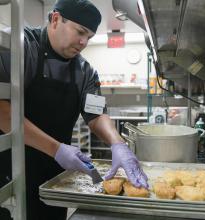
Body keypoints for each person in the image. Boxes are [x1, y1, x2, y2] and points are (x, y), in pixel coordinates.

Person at [0, 0, 148, 219]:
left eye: (89, 37)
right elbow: (2, 113)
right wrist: (57, 149)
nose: (83, 42)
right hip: (9, 173)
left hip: (54, 177)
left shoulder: (84, 70)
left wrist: (118, 144)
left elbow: (96, 113)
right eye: (80, 32)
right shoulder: (20, 46)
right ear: (55, 19)